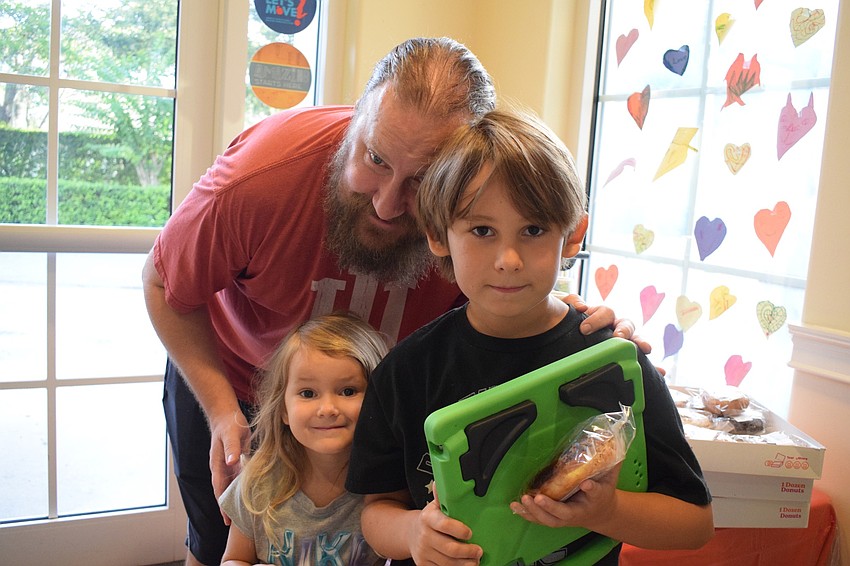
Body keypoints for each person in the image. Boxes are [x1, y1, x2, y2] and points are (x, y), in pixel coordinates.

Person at [142, 37, 642, 566]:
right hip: (237, 382)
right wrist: (222, 412)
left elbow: (504, 272)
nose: (385, 202)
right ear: (354, 120)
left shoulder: (467, 210)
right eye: (374, 159)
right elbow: (162, 286)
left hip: (381, 407)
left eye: (422, 179)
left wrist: (569, 322)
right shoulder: (257, 184)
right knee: (217, 539)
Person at [346, 108, 714, 566]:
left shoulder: (614, 361)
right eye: (482, 230)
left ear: (573, 235)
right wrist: (412, 533)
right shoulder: (406, 370)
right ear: (438, 234)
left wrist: (610, 510)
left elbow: (695, 524)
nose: (508, 258)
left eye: (534, 230)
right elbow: (377, 509)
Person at [219, 311, 388, 566]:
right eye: (308, 393)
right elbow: (234, 559)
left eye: (348, 391)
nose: (328, 408)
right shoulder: (257, 484)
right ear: (284, 409)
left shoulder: (388, 487)